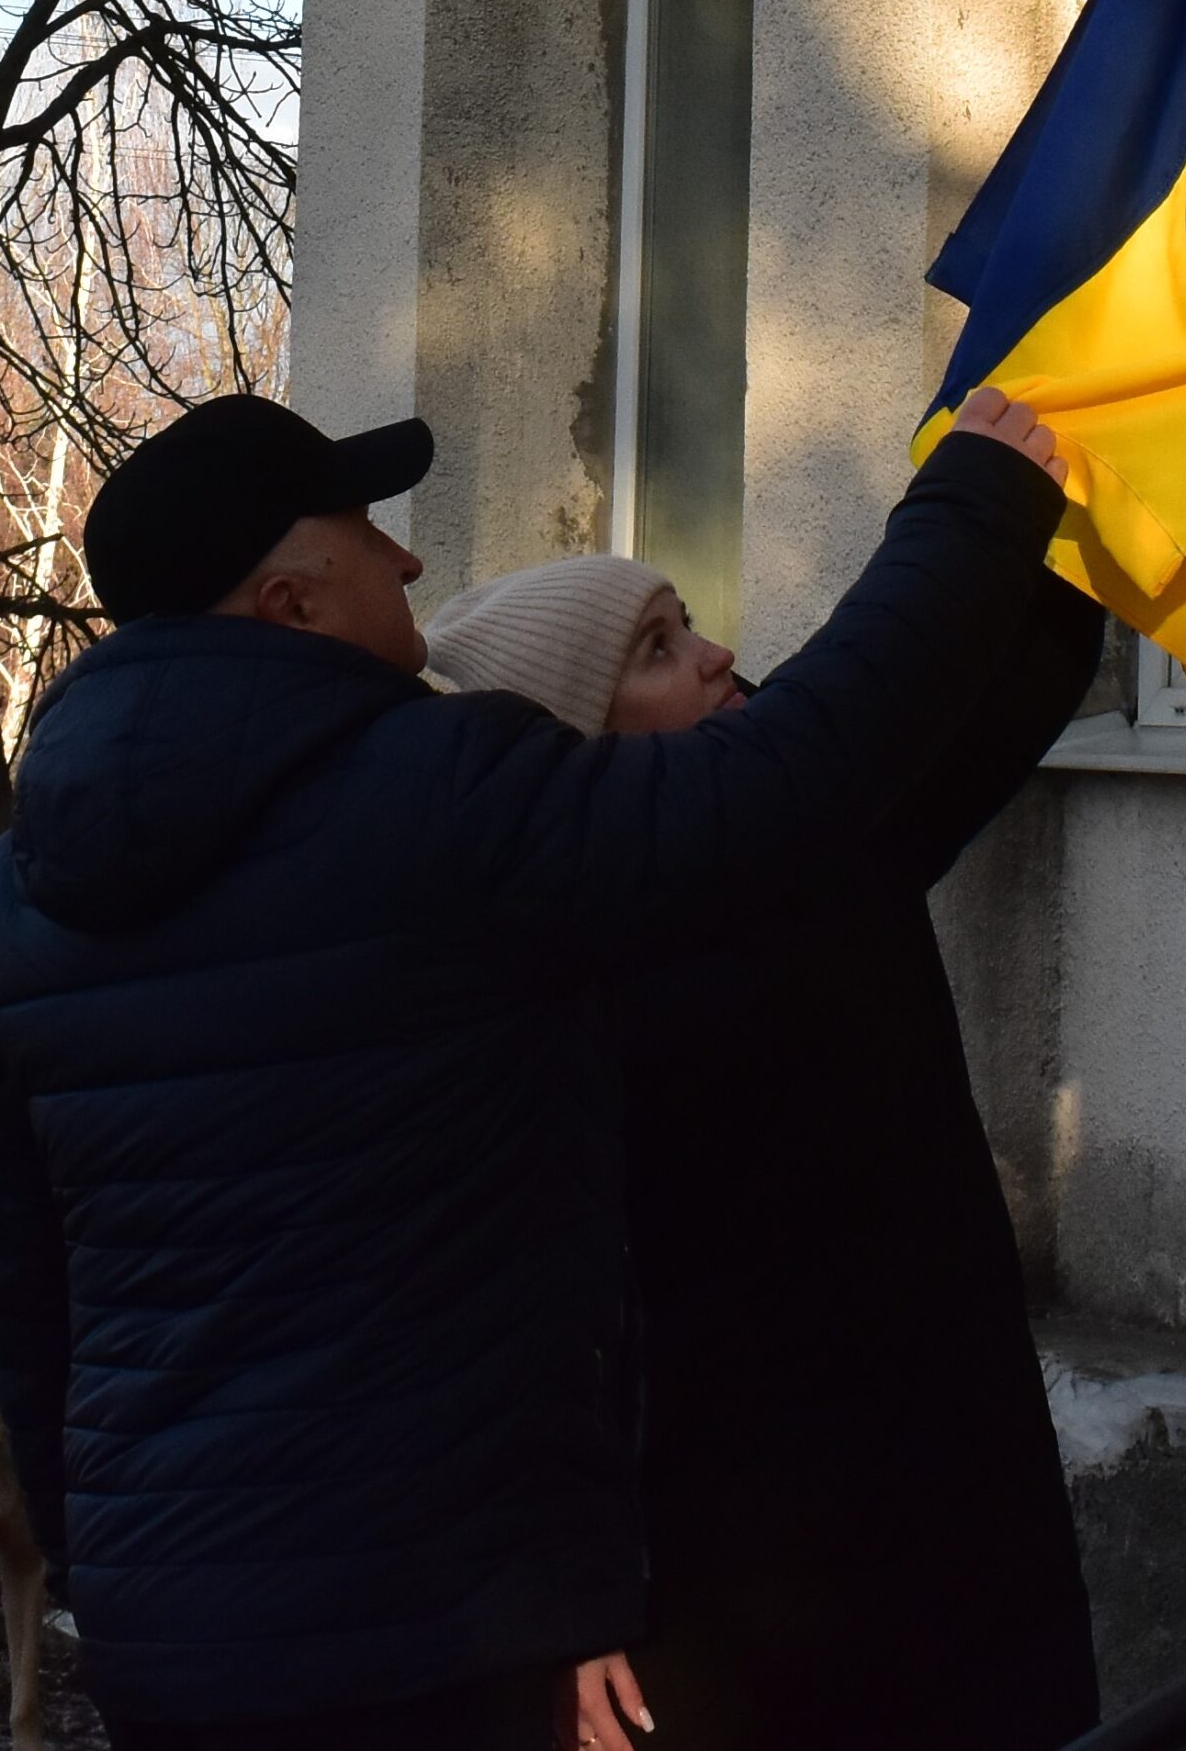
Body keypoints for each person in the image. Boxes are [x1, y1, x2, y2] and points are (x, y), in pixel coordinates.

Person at [0, 382, 1085, 1751]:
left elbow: (22, 1289)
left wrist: (109, 1567)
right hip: (433, 1628)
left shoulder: (11, 900)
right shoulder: (430, 797)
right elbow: (782, 781)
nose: (408, 558)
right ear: (289, 602)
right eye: (364, 531)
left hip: (174, 1635)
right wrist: (973, 499)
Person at [424, 556, 1101, 1751]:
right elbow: (507, 1339)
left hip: (950, 1516)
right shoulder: (537, 997)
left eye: (685, 623)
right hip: (711, 1603)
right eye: (655, 649)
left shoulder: (814, 840)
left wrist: (1088, 478)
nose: (716, 654)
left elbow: (1004, 675)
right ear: (575, 736)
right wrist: (556, 1608)